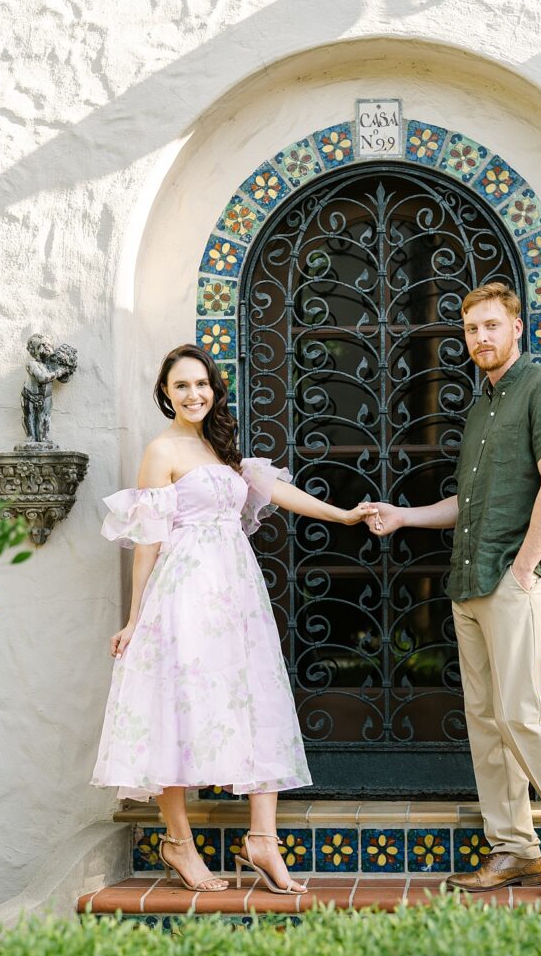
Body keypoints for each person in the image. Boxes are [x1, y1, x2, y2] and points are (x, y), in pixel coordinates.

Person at [367, 282, 541, 898]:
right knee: (487, 721)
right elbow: (469, 503)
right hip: (469, 579)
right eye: (471, 330)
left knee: (523, 714)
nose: (480, 338)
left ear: (517, 327)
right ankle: (514, 848)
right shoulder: (481, 407)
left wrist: (523, 569)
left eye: (491, 326)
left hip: (512, 579)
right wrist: (405, 516)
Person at [92, 343, 376, 894]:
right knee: (174, 706)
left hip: (235, 596)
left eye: (201, 384)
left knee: (253, 699)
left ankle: (262, 839)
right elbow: (147, 542)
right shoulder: (162, 450)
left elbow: (278, 490)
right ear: (166, 394)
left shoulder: (219, 448)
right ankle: (178, 842)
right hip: (182, 595)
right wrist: (134, 618)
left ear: (214, 389)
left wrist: (343, 513)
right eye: (181, 386)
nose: (193, 394)